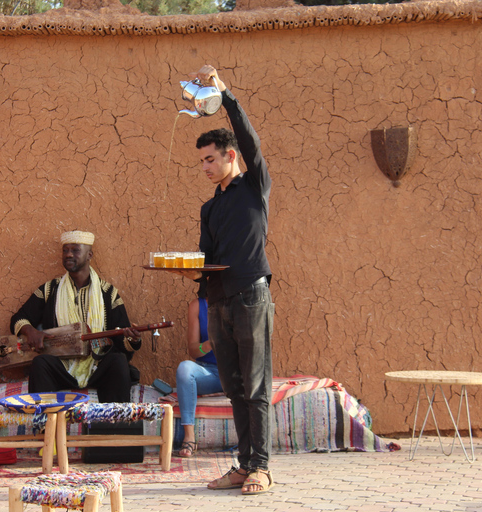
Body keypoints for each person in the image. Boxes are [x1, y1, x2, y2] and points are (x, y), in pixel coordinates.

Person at [171, 65, 274, 495]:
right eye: (201, 161)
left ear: (231, 156)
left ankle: (261, 468)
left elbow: (248, 136)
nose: (205, 167)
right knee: (233, 387)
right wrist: (194, 276)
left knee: (255, 385)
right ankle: (243, 465)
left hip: (251, 297)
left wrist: (225, 93)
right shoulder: (209, 209)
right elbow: (205, 260)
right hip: (219, 303)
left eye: (210, 159)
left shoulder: (255, 187)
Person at [10, 230, 142, 403]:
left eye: (75, 250)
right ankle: (44, 425)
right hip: (62, 366)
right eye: (65, 250)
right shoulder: (50, 290)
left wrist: (133, 339)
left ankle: (115, 426)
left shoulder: (108, 293)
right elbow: (19, 319)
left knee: (118, 361)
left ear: (89, 255)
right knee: (40, 364)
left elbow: (122, 338)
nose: (69, 254)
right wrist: (30, 332)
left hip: (97, 365)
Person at [176, 281, 223, 458]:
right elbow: (193, 349)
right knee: (184, 368)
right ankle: (189, 436)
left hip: (233, 372)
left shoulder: (237, 302)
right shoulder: (198, 306)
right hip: (209, 373)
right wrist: (209, 344)